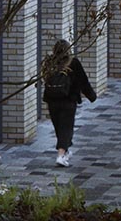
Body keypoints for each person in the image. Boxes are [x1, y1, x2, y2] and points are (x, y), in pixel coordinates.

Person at [41, 38, 97, 167]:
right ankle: (61, 155)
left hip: (52, 100)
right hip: (68, 101)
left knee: (59, 127)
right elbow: (83, 81)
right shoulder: (73, 63)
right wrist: (91, 96)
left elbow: (44, 78)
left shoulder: (49, 62)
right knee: (66, 127)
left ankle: (65, 151)